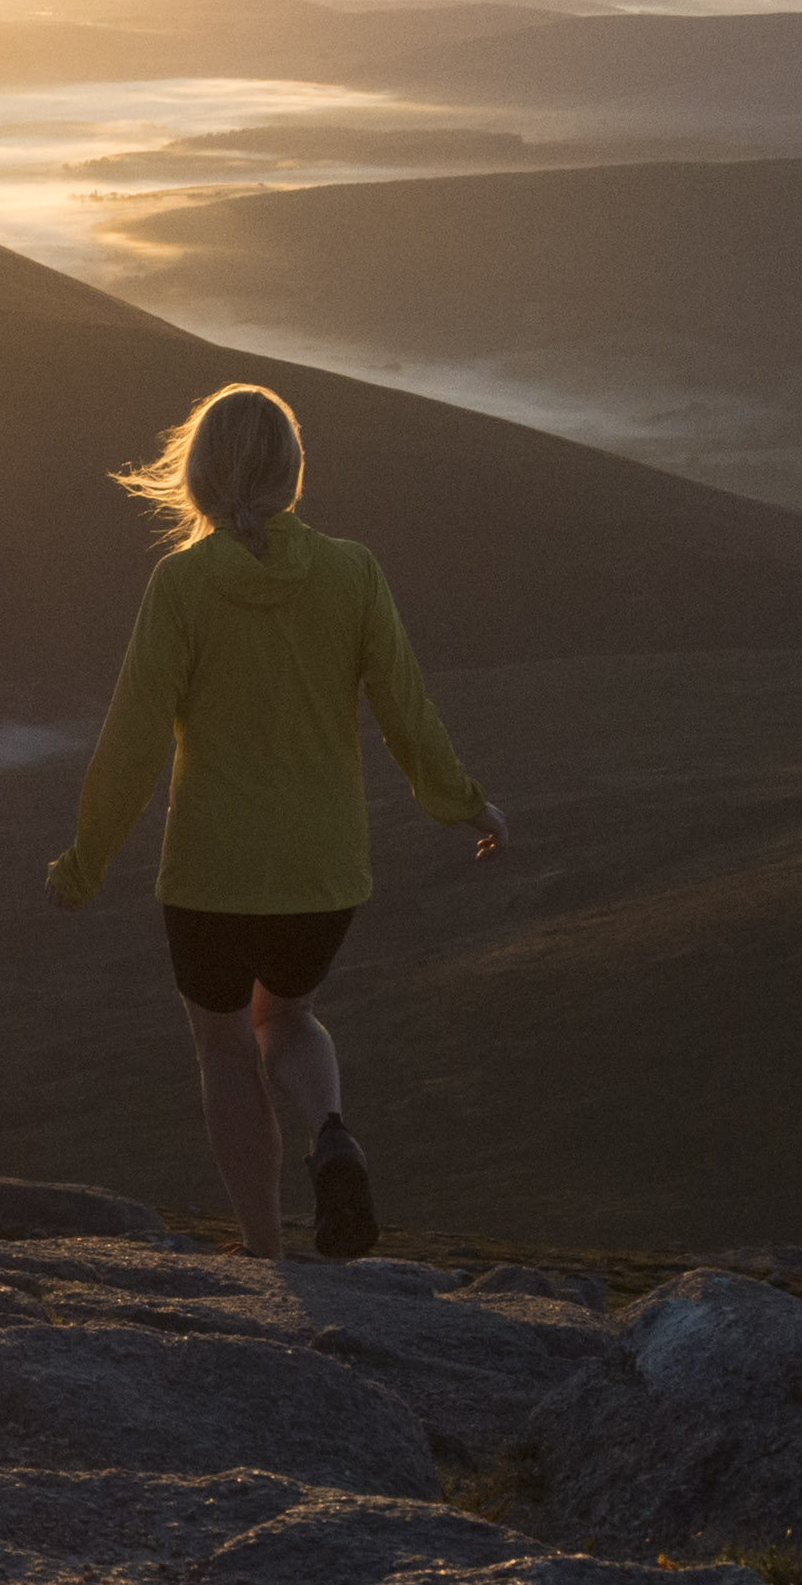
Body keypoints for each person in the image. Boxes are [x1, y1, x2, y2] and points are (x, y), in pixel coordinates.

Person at [43, 381, 505, 1260]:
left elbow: (133, 739)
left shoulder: (181, 584)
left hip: (210, 872)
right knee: (287, 1017)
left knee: (222, 1048)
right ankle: (329, 1127)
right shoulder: (353, 571)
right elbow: (404, 708)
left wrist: (84, 866)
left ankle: (262, 1250)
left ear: (198, 478)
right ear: (293, 472)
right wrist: (464, 803)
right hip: (322, 871)